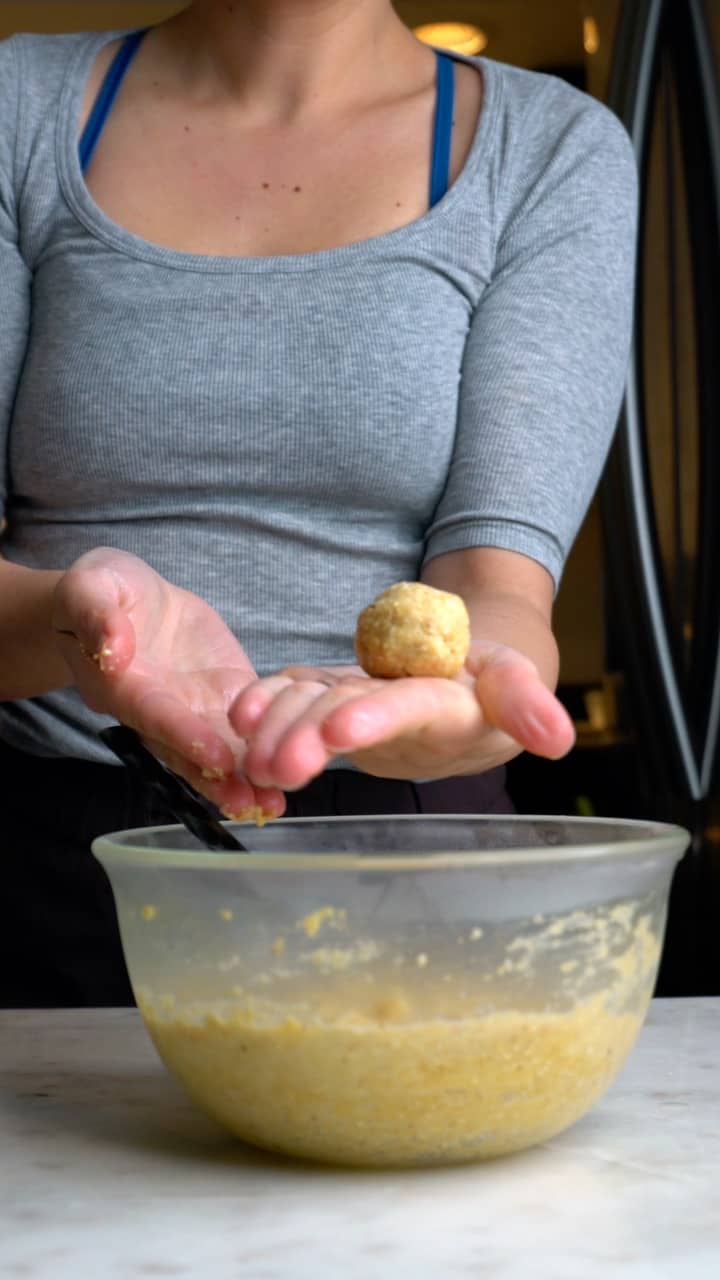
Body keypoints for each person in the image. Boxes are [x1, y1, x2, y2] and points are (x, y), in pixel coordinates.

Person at [0, 0, 638, 1006]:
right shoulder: (18, 107)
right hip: (54, 847)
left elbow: (498, 583)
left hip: (412, 850)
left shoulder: (550, 147)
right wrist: (76, 625)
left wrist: (481, 698)